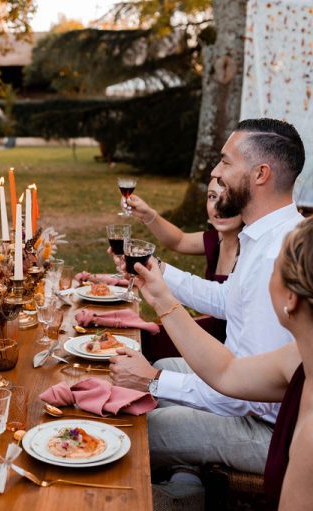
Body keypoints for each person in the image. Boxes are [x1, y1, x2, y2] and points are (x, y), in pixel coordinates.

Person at [109, 118, 305, 489]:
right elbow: (226, 300)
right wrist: (156, 270)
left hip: (270, 430)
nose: (216, 171)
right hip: (245, 397)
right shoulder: (263, 234)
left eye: (226, 162)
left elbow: (240, 394)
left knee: (133, 430)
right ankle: (188, 479)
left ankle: (178, 493)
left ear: (260, 173)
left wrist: (154, 382)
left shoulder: (276, 255)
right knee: (163, 367)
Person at [131, 217, 313, 509]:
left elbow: (236, 399)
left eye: (274, 271)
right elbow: (227, 374)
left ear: (290, 298)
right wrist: (161, 298)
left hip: (263, 431)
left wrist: (153, 379)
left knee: (135, 435)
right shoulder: (296, 357)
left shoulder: (308, 438)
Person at [126, 179, 242, 359]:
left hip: (229, 346)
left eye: (229, 196)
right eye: (212, 196)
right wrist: (147, 215)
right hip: (210, 329)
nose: (220, 205)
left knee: (145, 344)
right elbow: (178, 240)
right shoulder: (216, 239)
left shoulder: (251, 251)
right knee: (141, 338)